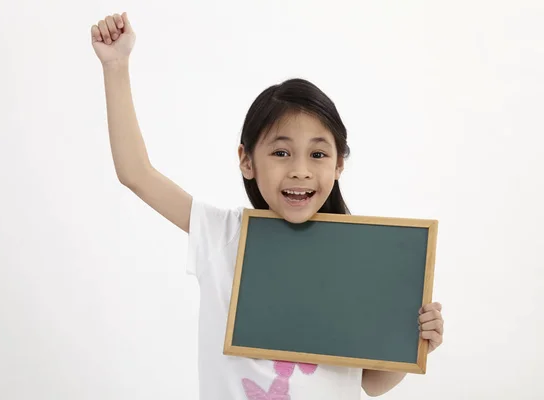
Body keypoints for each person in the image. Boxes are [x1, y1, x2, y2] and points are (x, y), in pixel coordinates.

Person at [91, 12, 445, 399]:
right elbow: (135, 173)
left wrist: (414, 342)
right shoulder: (223, 235)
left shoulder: (358, 258)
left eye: (318, 154)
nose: (300, 171)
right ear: (247, 160)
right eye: (281, 152)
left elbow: (371, 383)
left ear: (339, 164)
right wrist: (116, 65)